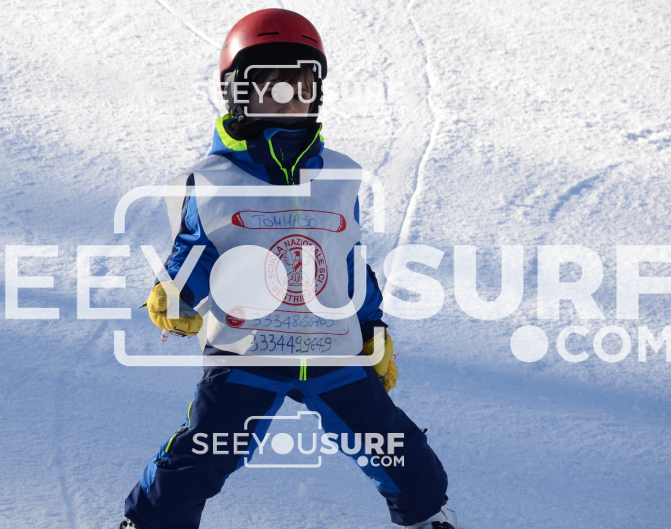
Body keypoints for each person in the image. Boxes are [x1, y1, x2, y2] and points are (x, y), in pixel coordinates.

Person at [120, 9, 454, 529]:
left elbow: (348, 258)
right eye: (267, 83)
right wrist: (174, 291)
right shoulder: (210, 179)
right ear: (235, 90)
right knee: (202, 455)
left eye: (300, 82)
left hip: (334, 350)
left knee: (398, 450)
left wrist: (372, 325)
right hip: (247, 351)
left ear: (316, 89)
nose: (285, 96)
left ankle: (429, 518)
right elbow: (195, 250)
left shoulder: (340, 175)